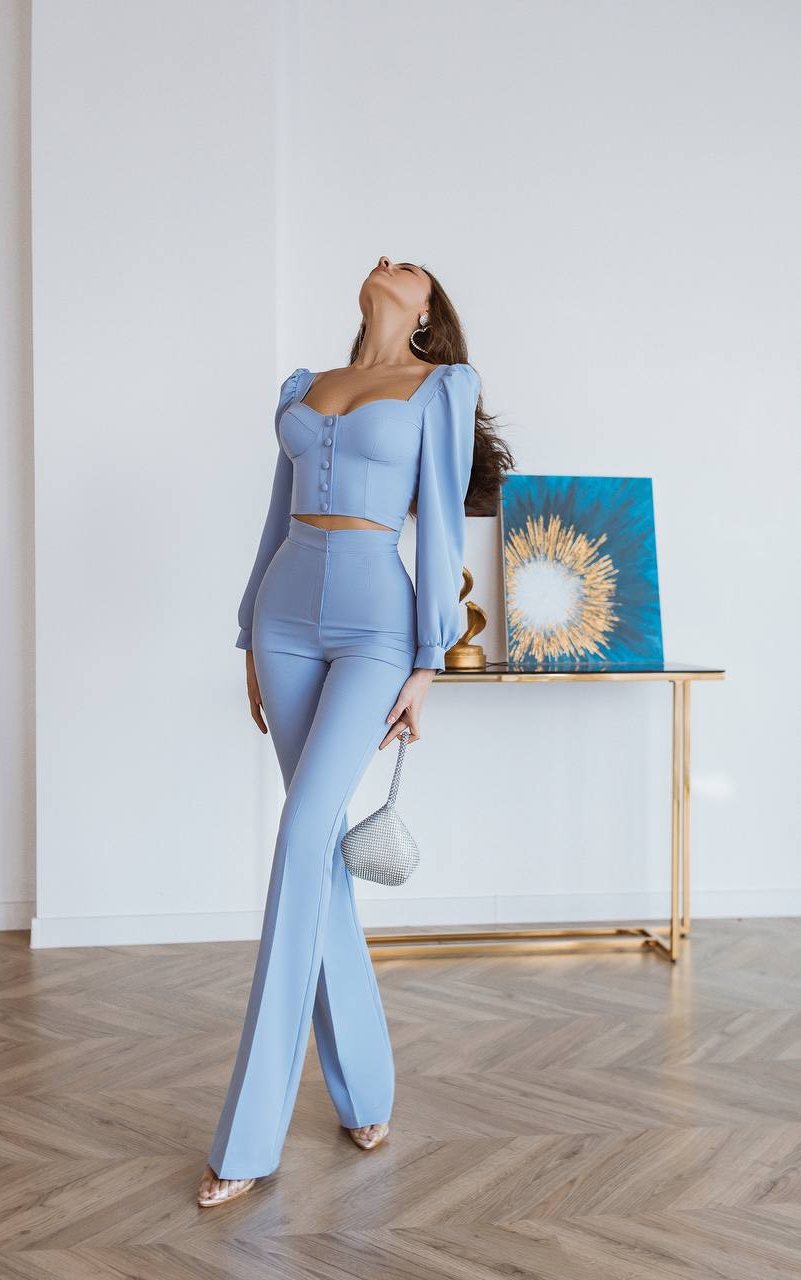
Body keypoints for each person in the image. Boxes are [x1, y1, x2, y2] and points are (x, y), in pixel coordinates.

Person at [198, 254, 512, 1207]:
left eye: (410, 265)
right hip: (287, 615)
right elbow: (270, 522)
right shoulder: (306, 386)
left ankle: (246, 1138)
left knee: (299, 838)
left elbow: (442, 540)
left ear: (425, 310)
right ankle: (367, 1092)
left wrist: (427, 663)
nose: (389, 259)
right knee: (316, 849)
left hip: (378, 622)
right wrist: (251, 635)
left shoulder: (439, 388)